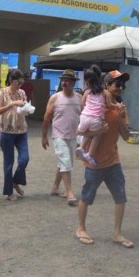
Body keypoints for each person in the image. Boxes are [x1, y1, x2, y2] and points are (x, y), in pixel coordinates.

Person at [76, 70, 134, 248]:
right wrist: (99, 131)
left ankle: (117, 233)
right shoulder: (94, 102)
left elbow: (126, 136)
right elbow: (80, 131)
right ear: (106, 85)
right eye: (117, 84)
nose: (120, 88)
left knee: (120, 197)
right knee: (87, 196)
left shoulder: (120, 107)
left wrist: (121, 116)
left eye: (123, 86)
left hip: (113, 161)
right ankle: (81, 229)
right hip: (94, 163)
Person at [41, 69, 82, 206]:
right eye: (63, 80)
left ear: (73, 82)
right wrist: (44, 136)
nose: (64, 83)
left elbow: (84, 116)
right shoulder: (55, 98)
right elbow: (46, 118)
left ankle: (55, 187)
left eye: (67, 80)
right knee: (65, 161)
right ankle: (69, 191)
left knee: (64, 163)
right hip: (59, 135)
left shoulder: (79, 98)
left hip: (73, 135)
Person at [0, 69, 28, 202]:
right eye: (17, 82)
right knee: (9, 163)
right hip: (7, 132)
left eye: (21, 82)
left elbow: (24, 108)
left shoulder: (22, 92)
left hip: (22, 131)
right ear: (11, 80)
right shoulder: (2, 93)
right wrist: (13, 103)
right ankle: (8, 191)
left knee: (24, 159)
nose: (20, 85)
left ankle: (15, 181)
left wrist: (27, 108)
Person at [76, 64, 115, 167]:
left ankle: (81, 147)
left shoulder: (87, 92)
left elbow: (82, 105)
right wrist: (117, 106)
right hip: (96, 119)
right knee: (97, 134)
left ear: (87, 81)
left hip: (84, 117)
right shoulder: (104, 92)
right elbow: (110, 105)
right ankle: (90, 154)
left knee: (88, 132)